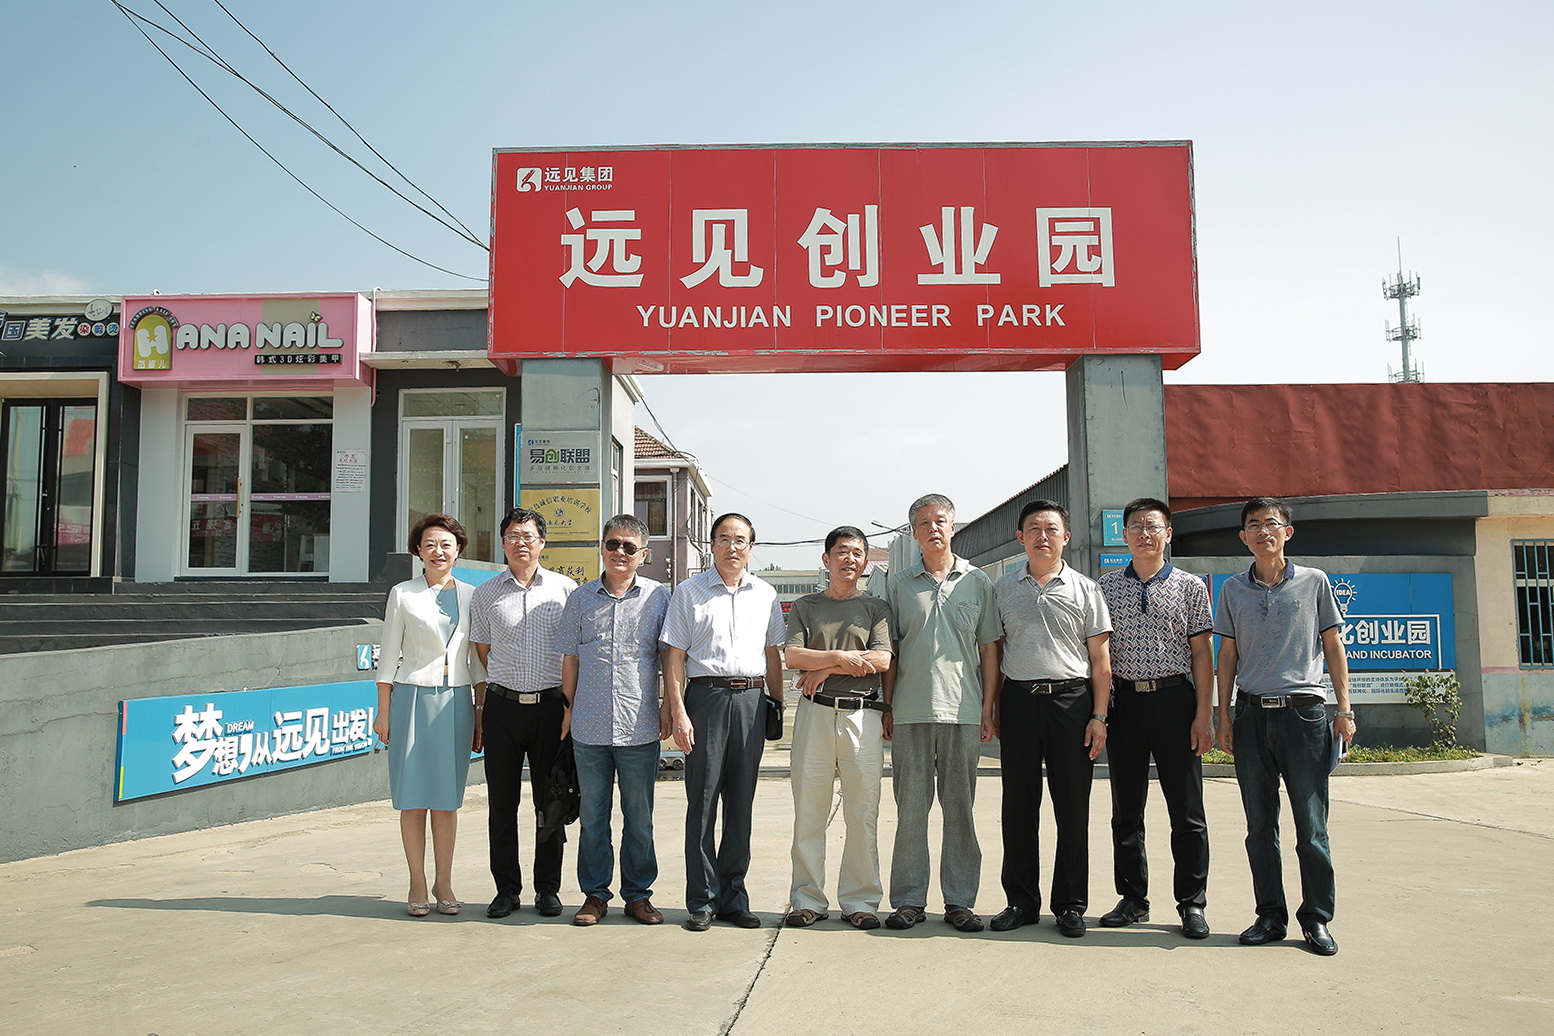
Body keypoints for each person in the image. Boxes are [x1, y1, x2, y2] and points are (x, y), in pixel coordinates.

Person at [1214, 496, 1356, 956]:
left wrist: (1344, 709)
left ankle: (1316, 919)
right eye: (1254, 525)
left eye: (1271, 524)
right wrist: (1223, 715)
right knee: (1259, 826)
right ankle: (1269, 916)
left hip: (1304, 714)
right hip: (1251, 715)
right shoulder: (1232, 589)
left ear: (1287, 532)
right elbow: (1227, 656)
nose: (1263, 532)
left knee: (1311, 827)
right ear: (1243, 537)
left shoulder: (1314, 582)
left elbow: (1333, 646)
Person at [878, 494, 1002, 933]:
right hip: (910, 712)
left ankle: (960, 900)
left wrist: (987, 708)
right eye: (924, 523)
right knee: (911, 811)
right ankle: (908, 900)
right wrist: (887, 706)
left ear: (953, 527)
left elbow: (990, 650)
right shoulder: (898, 585)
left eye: (940, 521)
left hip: (963, 711)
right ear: (914, 532)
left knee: (960, 810)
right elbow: (890, 651)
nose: (933, 528)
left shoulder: (977, 582)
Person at [988, 499, 1112, 938]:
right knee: (1018, 806)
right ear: (1020, 537)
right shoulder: (1002, 589)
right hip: (1019, 701)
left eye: (1051, 529)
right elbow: (994, 653)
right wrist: (992, 707)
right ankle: (1020, 902)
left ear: (1066, 537)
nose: (1043, 536)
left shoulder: (1086, 589)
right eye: (1034, 529)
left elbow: (1100, 660)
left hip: (1071, 703)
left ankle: (1070, 904)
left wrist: (1099, 716)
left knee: (1072, 807)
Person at [660, 513, 787, 931]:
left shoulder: (765, 594)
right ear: (711, 544)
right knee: (702, 801)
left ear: (751, 547)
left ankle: (734, 897)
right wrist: (678, 710)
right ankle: (702, 899)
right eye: (724, 539)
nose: (732, 547)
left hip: (751, 699)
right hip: (706, 699)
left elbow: (772, 654)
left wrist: (776, 706)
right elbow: (674, 656)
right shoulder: (689, 592)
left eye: (740, 540)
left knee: (741, 802)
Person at [1096, 497, 1214, 939]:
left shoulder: (1190, 586)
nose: (1144, 534)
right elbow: (1100, 655)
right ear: (1124, 535)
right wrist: (1100, 713)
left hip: (1175, 702)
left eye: (1153, 526)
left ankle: (1192, 903)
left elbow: (1202, 653)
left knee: (1187, 811)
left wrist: (1204, 714)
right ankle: (1133, 898)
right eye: (1136, 527)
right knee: (1126, 810)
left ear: (1168, 534)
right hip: (1125, 705)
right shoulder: (1105, 587)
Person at [551, 514, 672, 927]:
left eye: (629, 547)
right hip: (589, 727)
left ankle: (638, 896)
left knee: (640, 820)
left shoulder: (659, 598)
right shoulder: (580, 598)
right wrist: (567, 711)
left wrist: (669, 708)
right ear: (601, 547)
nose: (620, 552)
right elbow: (570, 659)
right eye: (612, 544)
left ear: (643, 554)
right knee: (593, 819)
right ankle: (595, 896)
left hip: (639, 726)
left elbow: (669, 659)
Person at [373, 513, 488, 917]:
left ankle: (444, 882)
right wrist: (383, 713)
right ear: (418, 552)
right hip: (410, 699)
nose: (438, 551)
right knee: (412, 799)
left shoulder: (473, 595)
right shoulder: (403, 594)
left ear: (458, 550)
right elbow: (388, 657)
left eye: (446, 544)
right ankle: (417, 882)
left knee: (446, 800)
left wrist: (479, 714)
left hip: (456, 702)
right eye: (429, 545)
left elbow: (478, 664)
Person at [783, 527, 894, 930]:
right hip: (814, 715)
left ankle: (860, 901)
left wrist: (826, 668)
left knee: (862, 812)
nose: (850, 559)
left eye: (857, 553)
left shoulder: (876, 607)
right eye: (842, 552)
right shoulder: (806, 606)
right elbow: (793, 655)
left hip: (861, 716)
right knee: (809, 811)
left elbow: (882, 660)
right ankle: (807, 899)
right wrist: (842, 658)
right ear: (826, 559)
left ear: (865, 563)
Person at [470, 507, 578, 920]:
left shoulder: (565, 590)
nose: (520, 543)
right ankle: (506, 890)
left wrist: (569, 708)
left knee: (551, 802)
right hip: (503, 708)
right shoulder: (486, 594)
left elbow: (573, 655)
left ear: (542, 543)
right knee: (502, 803)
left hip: (551, 708)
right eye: (513, 536)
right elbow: (484, 651)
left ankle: (547, 889)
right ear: (503, 543)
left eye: (528, 536)